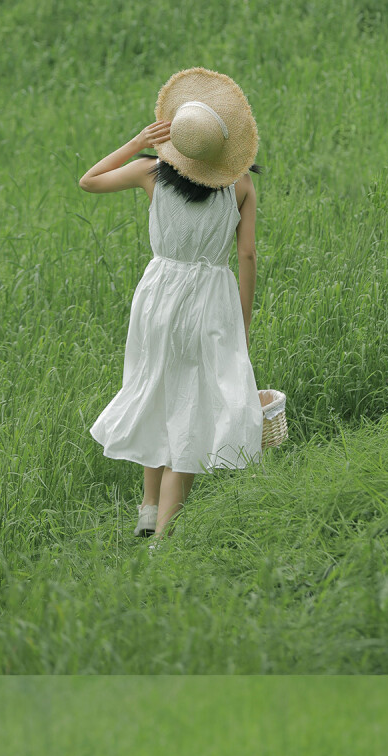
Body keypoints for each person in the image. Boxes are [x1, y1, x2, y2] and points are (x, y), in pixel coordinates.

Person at [84, 65, 286, 543]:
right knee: (192, 407)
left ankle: (148, 509)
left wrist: (137, 141)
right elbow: (248, 255)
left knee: (156, 388)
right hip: (209, 300)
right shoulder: (239, 187)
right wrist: (242, 321)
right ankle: (163, 540)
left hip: (157, 294)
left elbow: (89, 181)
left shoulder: (151, 174)